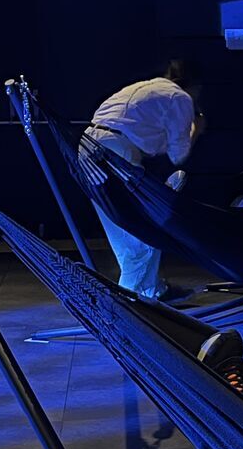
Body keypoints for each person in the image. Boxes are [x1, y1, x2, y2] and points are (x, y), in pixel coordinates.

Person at [80, 60, 203, 300]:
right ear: (194, 86)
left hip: (88, 148)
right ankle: (128, 303)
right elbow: (178, 155)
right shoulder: (180, 97)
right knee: (144, 228)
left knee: (123, 235)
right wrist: (196, 129)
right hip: (117, 153)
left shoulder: (145, 87)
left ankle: (151, 290)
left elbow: (146, 138)